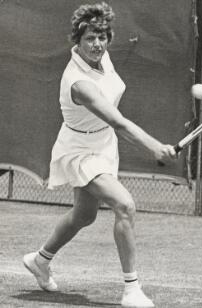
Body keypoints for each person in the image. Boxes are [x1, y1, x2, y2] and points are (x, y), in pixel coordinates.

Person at [23, 3, 177, 307]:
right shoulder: (78, 83)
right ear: (77, 40)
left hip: (103, 145)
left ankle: (40, 260)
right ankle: (131, 289)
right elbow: (119, 121)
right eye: (91, 38)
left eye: (103, 37)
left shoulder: (102, 57)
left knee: (85, 214)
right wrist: (154, 146)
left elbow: (112, 122)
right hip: (79, 150)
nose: (98, 44)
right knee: (124, 205)